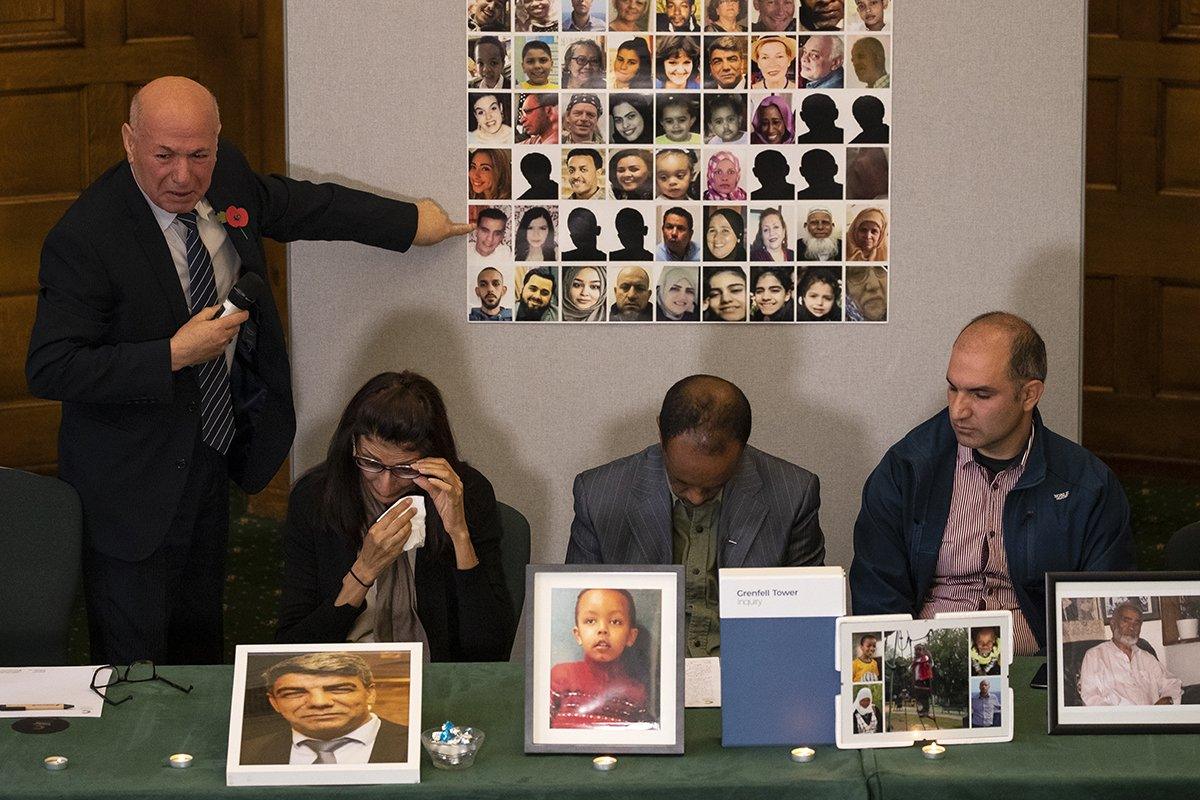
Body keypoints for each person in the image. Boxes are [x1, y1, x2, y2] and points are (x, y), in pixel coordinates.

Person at [25, 76, 469, 665]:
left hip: (211, 455)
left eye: (198, 155)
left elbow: (296, 205)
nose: (183, 176)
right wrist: (172, 355)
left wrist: (408, 224)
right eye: (163, 156)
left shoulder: (224, 174)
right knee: (134, 664)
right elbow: (51, 367)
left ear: (216, 144)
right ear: (129, 142)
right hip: (129, 483)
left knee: (200, 643)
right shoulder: (86, 238)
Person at [849, 313, 1135, 655]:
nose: (958, 410)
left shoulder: (1087, 485)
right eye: (953, 388)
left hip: (1034, 666)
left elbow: (1102, 609)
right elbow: (877, 597)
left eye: (980, 395)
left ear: (1029, 394)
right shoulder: (907, 470)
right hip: (925, 662)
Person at [566, 375, 826, 656]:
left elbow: (807, 619)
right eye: (681, 482)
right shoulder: (600, 494)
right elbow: (579, 604)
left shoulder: (793, 494)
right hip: (643, 668)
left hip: (749, 664)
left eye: (714, 485)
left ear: (743, 448)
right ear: (660, 434)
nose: (696, 496)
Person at [276, 372, 514, 657]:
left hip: (432, 672)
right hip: (344, 669)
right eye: (370, 462)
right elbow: (292, 651)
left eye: (404, 469)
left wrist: (459, 534)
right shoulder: (315, 498)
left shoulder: (466, 493)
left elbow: (491, 650)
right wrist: (363, 571)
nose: (385, 485)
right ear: (352, 445)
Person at [240, 652, 409, 765]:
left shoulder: (416, 745)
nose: (319, 702)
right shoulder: (246, 754)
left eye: (338, 689)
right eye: (294, 693)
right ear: (274, 702)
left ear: (370, 693)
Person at [550, 588, 654, 727]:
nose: (602, 629)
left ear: (630, 636)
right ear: (578, 635)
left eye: (615, 621)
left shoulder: (636, 693)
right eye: (591, 620)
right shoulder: (561, 676)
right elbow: (539, 729)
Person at [1080, 602, 1183, 706]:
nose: (1132, 627)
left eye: (1136, 623)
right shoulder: (1095, 656)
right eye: (1126, 621)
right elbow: (1090, 698)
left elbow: (1172, 683)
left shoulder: (1146, 657)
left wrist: (1167, 699)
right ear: (1113, 624)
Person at [912, 643, 933, 716]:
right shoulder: (915, 660)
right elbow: (913, 669)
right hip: (918, 680)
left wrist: (929, 658)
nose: (917, 651)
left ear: (923, 651)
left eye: (919, 650)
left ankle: (926, 710)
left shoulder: (925, 658)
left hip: (924, 678)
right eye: (916, 650)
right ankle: (923, 709)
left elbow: (929, 662)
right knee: (919, 695)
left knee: (924, 695)